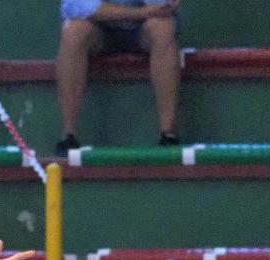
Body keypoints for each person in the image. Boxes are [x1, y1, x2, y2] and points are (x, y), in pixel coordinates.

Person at [55, 0, 180, 155]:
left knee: (163, 29)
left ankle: (168, 135)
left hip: (143, 28)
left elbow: (162, 6)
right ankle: (68, 136)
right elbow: (74, 6)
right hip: (98, 29)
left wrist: (146, 12)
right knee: (73, 31)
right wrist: (138, 13)